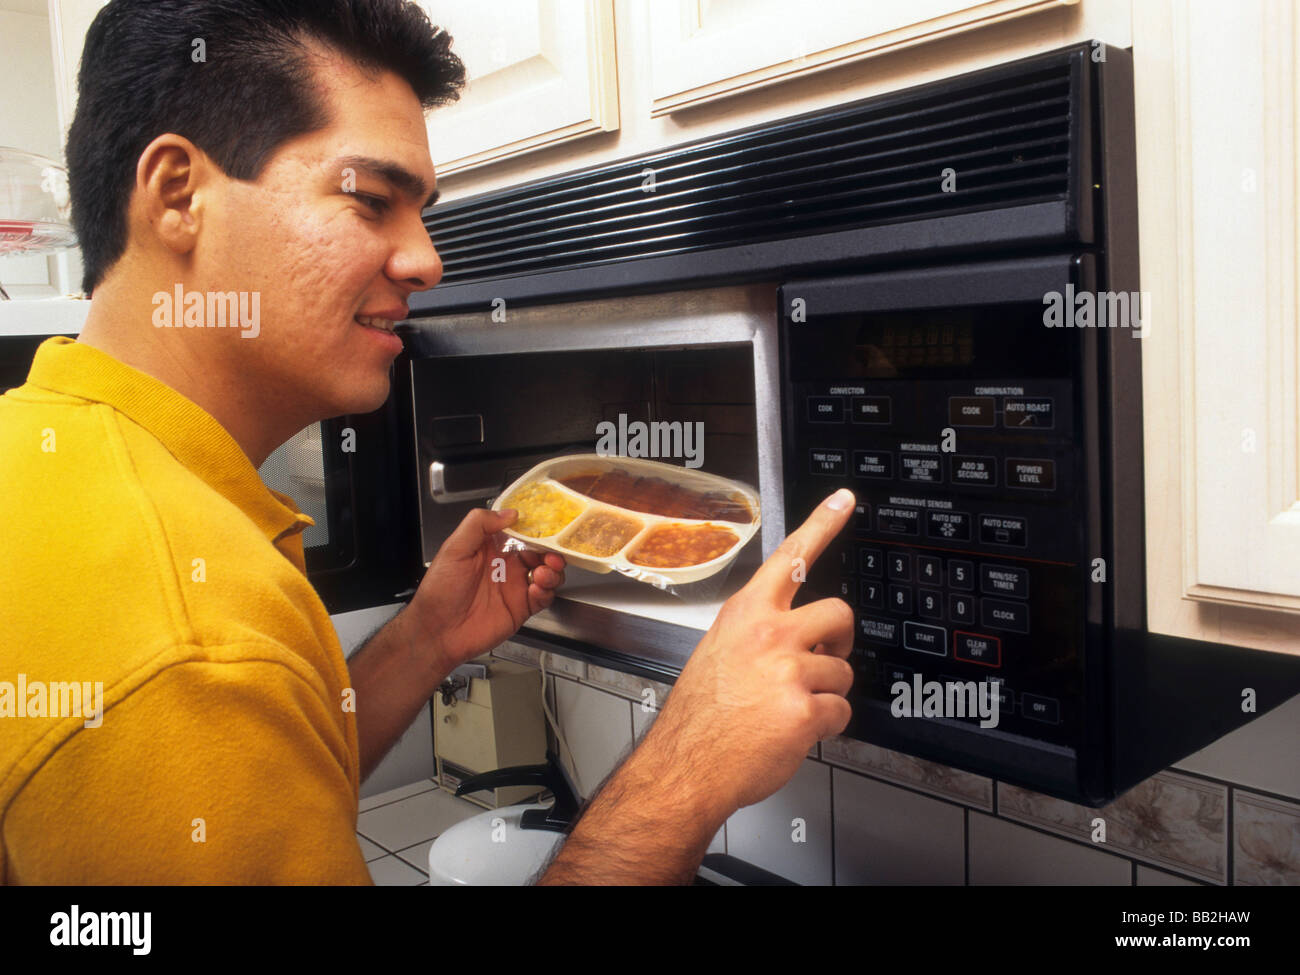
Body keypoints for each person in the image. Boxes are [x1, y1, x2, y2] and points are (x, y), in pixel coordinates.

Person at [0, 0, 854, 885]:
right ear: (180, 195)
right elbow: (204, 695)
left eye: (422, 211)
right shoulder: (192, 644)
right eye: (371, 199)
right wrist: (686, 768)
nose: (427, 260)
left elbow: (266, 756)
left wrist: (421, 642)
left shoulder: (42, 444)